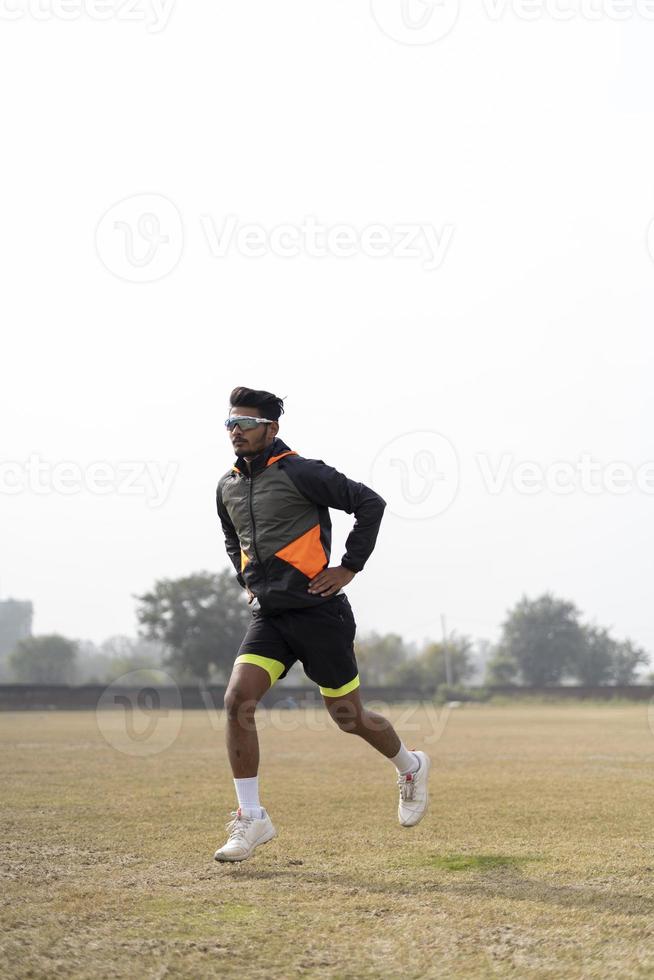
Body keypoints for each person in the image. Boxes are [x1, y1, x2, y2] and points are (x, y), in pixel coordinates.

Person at [213, 386, 431, 862]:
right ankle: (251, 818)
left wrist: (349, 567)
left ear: (272, 429)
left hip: (319, 612)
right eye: (231, 423)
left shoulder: (302, 472)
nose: (237, 431)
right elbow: (234, 538)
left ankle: (410, 766)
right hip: (269, 617)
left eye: (247, 424)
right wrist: (245, 580)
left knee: (348, 718)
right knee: (236, 701)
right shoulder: (226, 485)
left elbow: (369, 503)